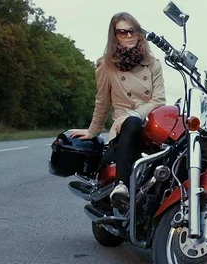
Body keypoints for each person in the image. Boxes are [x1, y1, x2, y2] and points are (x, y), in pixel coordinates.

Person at [71, 12, 165, 204]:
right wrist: (92, 131)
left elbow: (159, 100)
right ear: (114, 36)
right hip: (124, 128)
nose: (128, 36)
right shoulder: (106, 66)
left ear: (139, 34)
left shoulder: (153, 64)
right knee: (130, 122)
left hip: (148, 124)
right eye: (122, 32)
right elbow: (102, 101)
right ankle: (121, 185)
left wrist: (136, 113)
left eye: (132, 31)